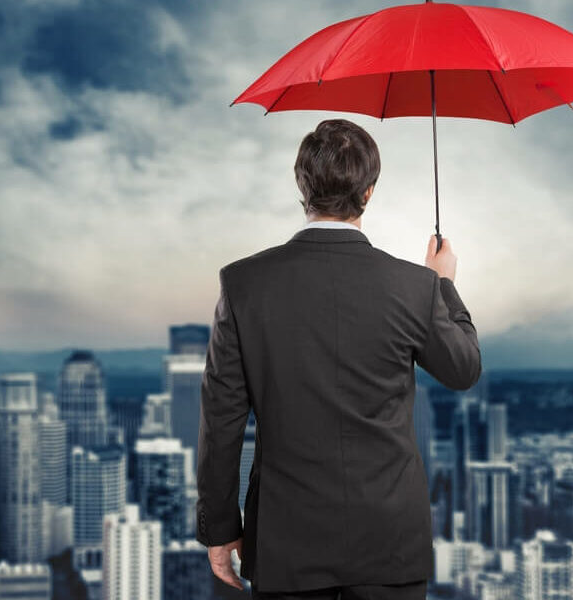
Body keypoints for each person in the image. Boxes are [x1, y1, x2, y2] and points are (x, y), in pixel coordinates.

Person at [196, 118, 481, 600]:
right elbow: (463, 368)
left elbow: (222, 418)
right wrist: (444, 284)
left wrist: (220, 529)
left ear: (301, 187)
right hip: (390, 541)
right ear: (368, 192)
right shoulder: (413, 287)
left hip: (287, 541)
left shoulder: (244, 284)